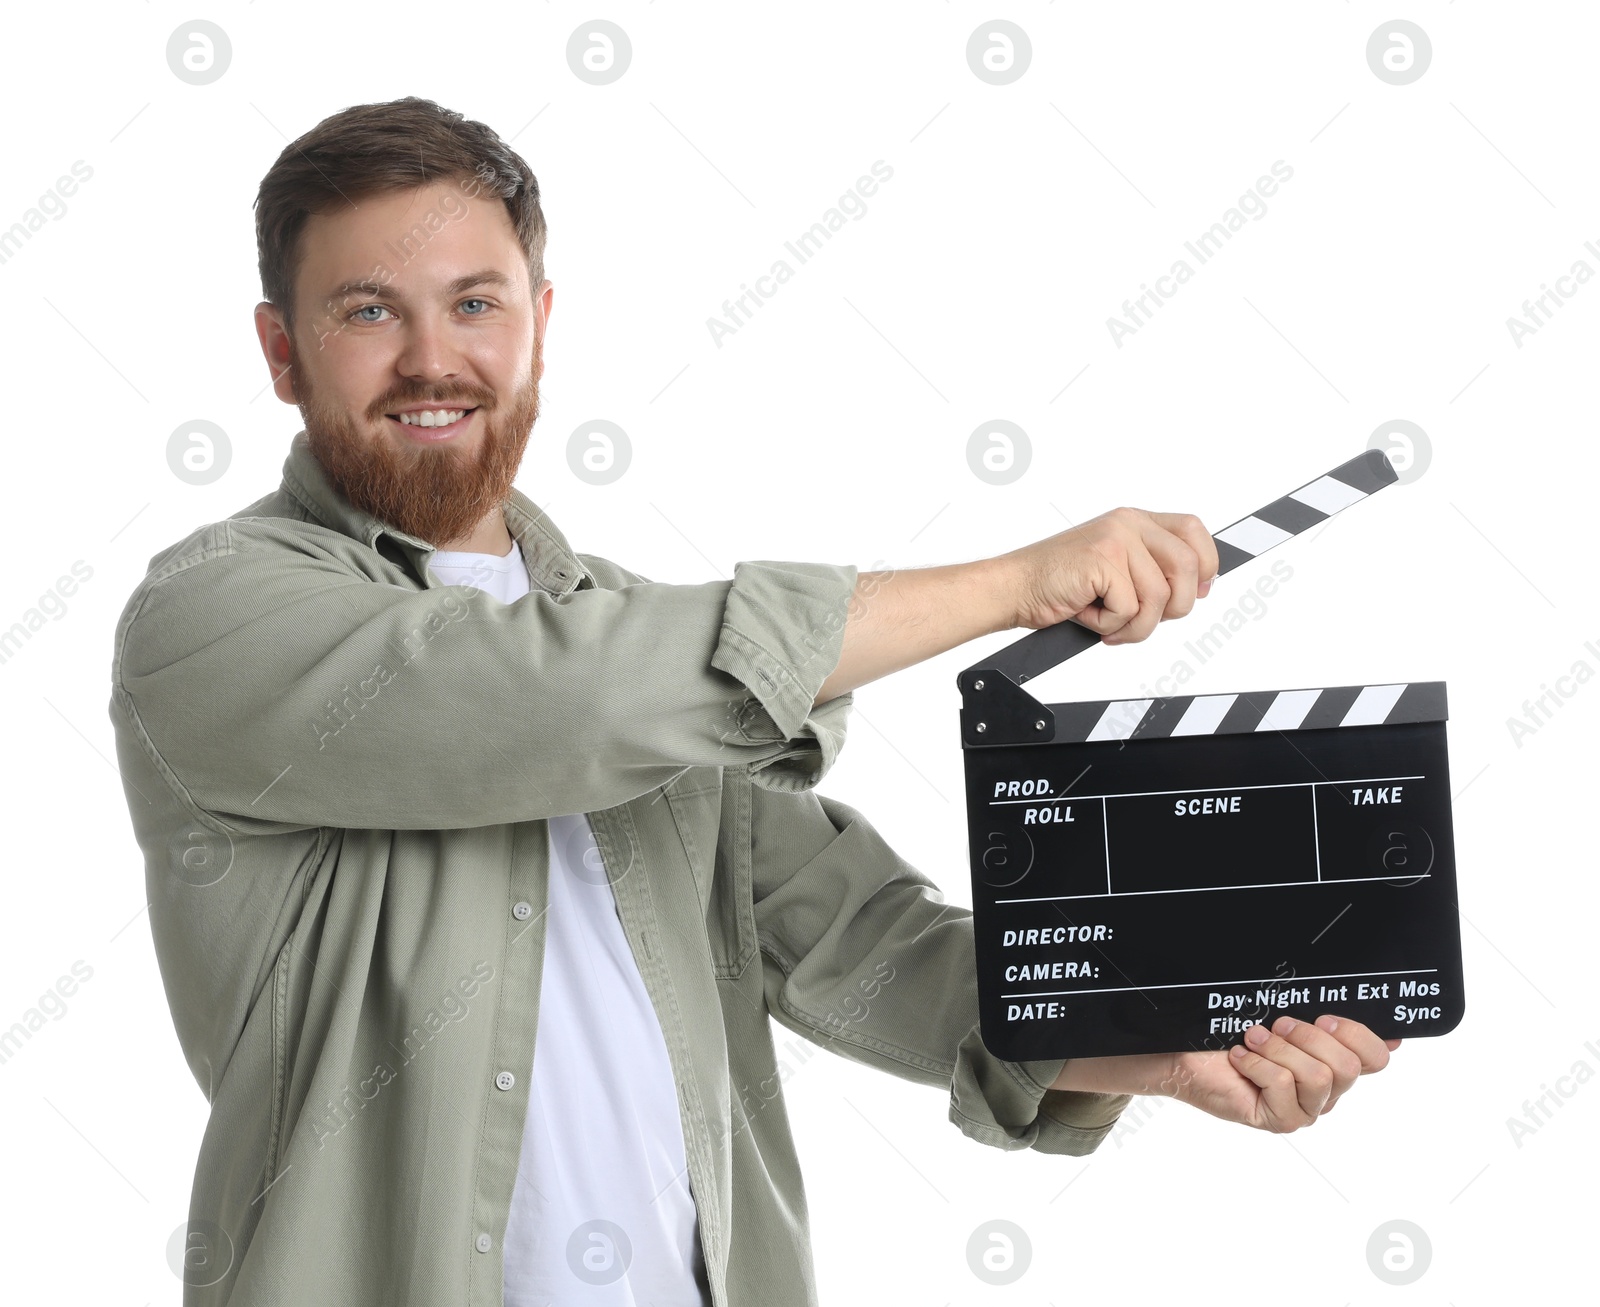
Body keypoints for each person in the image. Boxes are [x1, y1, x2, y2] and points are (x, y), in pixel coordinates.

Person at [108, 96, 1399, 1307]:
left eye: (476, 303)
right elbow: (535, 703)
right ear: (282, 351)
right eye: (368, 312)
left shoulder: (642, 656)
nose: (434, 359)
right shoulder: (214, 617)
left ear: (541, 325)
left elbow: (871, 952)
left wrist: (1168, 1052)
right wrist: (1013, 583)